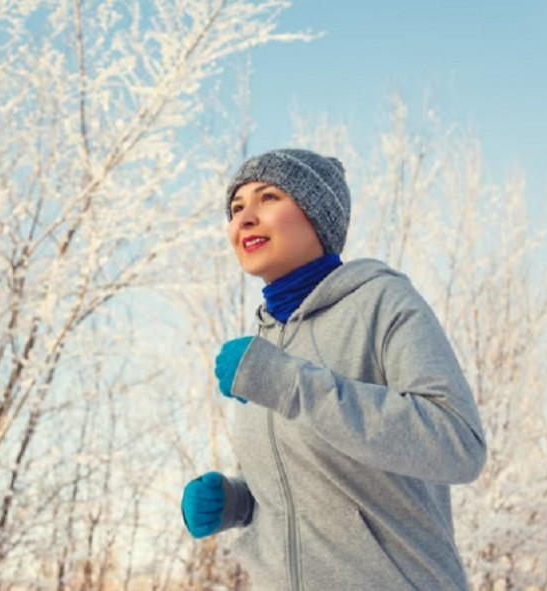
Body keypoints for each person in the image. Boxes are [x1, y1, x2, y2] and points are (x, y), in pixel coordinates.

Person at [180, 149, 487, 590]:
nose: (244, 217)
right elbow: (315, 480)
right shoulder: (265, 343)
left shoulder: (381, 303)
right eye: (235, 207)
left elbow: (458, 444)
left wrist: (289, 383)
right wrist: (240, 501)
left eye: (268, 197)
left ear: (317, 215)